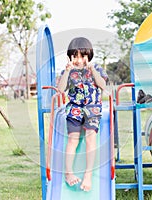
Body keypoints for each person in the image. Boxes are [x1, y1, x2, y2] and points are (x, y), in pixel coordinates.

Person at [57, 37, 108, 192]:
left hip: (92, 109)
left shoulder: (96, 68)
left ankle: (88, 174)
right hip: (74, 110)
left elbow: (103, 85)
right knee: (72, 139)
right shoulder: (68, 71)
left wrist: (92, 70)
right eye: (75, 56)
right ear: (70, 57)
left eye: (82, 56)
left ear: (89, 56)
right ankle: (68, 173)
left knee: (90, 137)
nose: (79, 60)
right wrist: (67, 71)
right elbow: (60, 89)